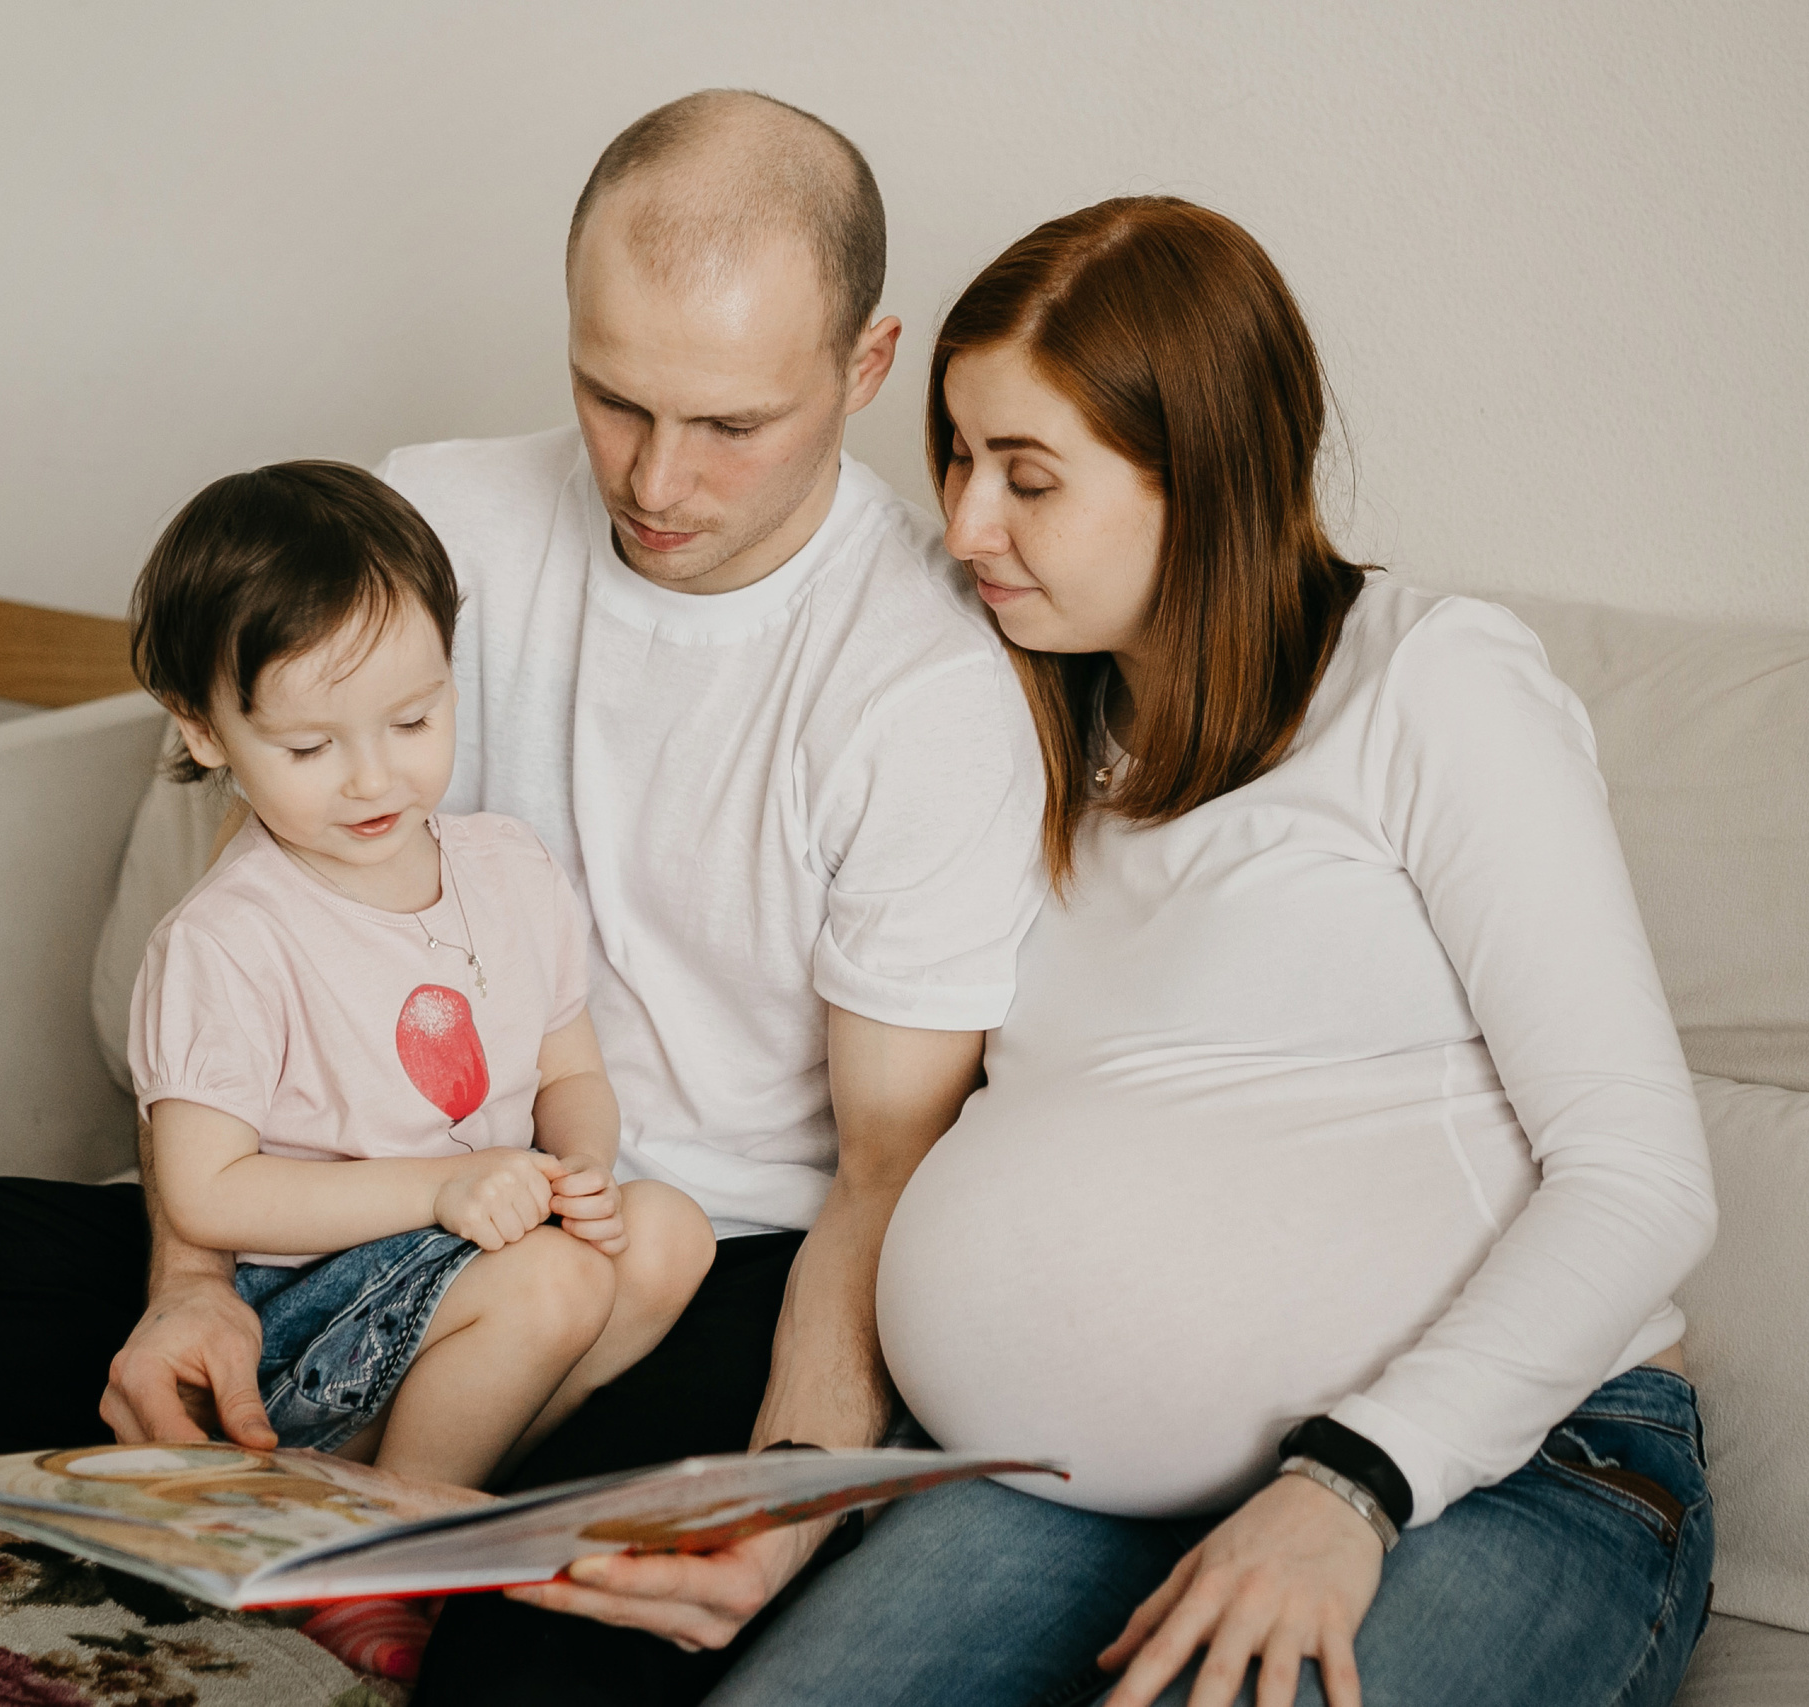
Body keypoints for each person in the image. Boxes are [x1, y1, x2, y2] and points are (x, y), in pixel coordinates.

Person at [0, 90, 1047, 1706]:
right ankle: (362, 1461)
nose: (655, 477)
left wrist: (787, 1508)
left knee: (529, 1673)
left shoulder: (922, 686)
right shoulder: (435, 522)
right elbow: (260, 918)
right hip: (374, 1208)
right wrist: (188, 1287)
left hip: (704, 1264)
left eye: (730, 425)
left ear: (864, 368)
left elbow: (881, 1173)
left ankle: (395, 1493)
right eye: (609, 395)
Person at [703, 198, 1719, 1707]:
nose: (968, 524)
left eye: (1029, 478)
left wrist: (1354, 1481)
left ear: (1206, 479)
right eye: (959, 456)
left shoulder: (1431, 685)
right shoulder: (1010, 726)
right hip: (1049, 1488)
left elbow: (1642, 1175)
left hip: (1494, 1464)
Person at [123, 461, 717, 1676]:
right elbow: (207, 1194)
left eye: (413, 720)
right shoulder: (231, 936)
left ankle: (383, 1496)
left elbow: (571, 1073)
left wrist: (580, 1168)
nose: (373, 777)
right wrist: (442, 1191)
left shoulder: (506, 868)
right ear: (203, 728)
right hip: (308, 1320)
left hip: (457, 1272)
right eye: (306, 744)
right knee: (551, 1288)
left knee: (667, 1237)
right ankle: (384, 1554)